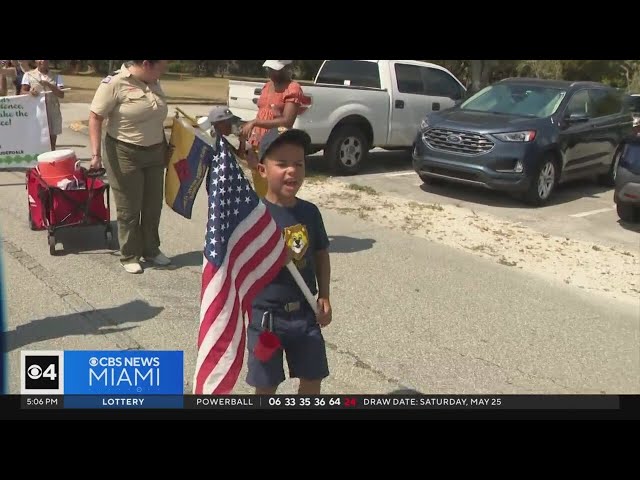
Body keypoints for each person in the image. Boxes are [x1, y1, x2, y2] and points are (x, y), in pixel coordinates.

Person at [246, 126, 332, 395]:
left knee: (312, 379)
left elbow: (320, 254)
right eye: (281, 164)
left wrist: (325, 295)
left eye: (298, 164)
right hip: (266, 322)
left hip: (305, 316)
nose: (291, 171)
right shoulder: (253, 216)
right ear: (262, 170)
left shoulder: (310, 212)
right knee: (266, 384)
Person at [88, 60, 172, 274]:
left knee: (153, 206)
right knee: (129, 208)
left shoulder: (154, 81)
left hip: (155, 152)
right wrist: (95, 154)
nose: (166, 67)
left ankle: (151, 250)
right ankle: (129, 255)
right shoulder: (114, 83)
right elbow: (95, 117)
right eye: (162, 64)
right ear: (146, 63)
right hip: (124, 153)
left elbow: (155, 118)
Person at [239, 60, 306, 198]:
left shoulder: (293, 88)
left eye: (275, 69)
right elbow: (264, 112)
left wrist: (256, 122)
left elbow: (287, 121)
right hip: (257, 145)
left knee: (273, 190)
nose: (271, 72)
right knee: (260, 187)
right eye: (269, 68)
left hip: (275, 146)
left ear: (287, 68)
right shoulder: (267, 86)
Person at [20, 60, 65, 150]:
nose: (43, 61)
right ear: (36, 61)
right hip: (36, 111)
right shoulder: (28, 75)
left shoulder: (56, 76)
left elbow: (61, 94)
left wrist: (49, 84)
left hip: (52, 110)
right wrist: (30, 92)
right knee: (36, 136)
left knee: (52, 137)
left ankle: (51, 158)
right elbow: (22, 92)